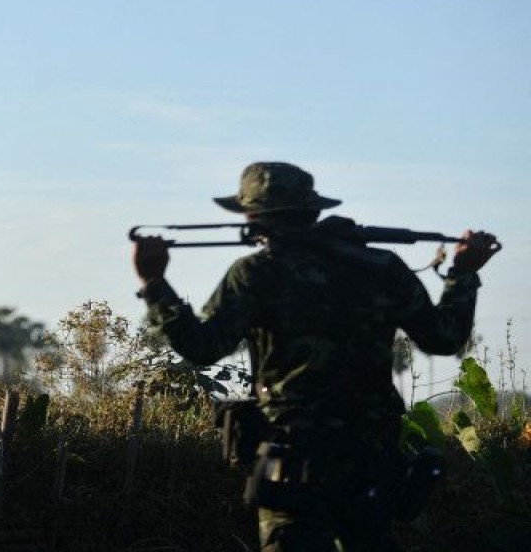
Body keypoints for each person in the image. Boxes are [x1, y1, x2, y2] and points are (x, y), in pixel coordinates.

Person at [131, 161, 500, 552]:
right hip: (371, 455)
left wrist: (155, 284)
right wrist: (463, 272)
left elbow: (203, 347)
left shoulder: (255, 273)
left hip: (293, 456)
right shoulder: (381, 267)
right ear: (312, 210)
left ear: (254, 217)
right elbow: (444, 338)